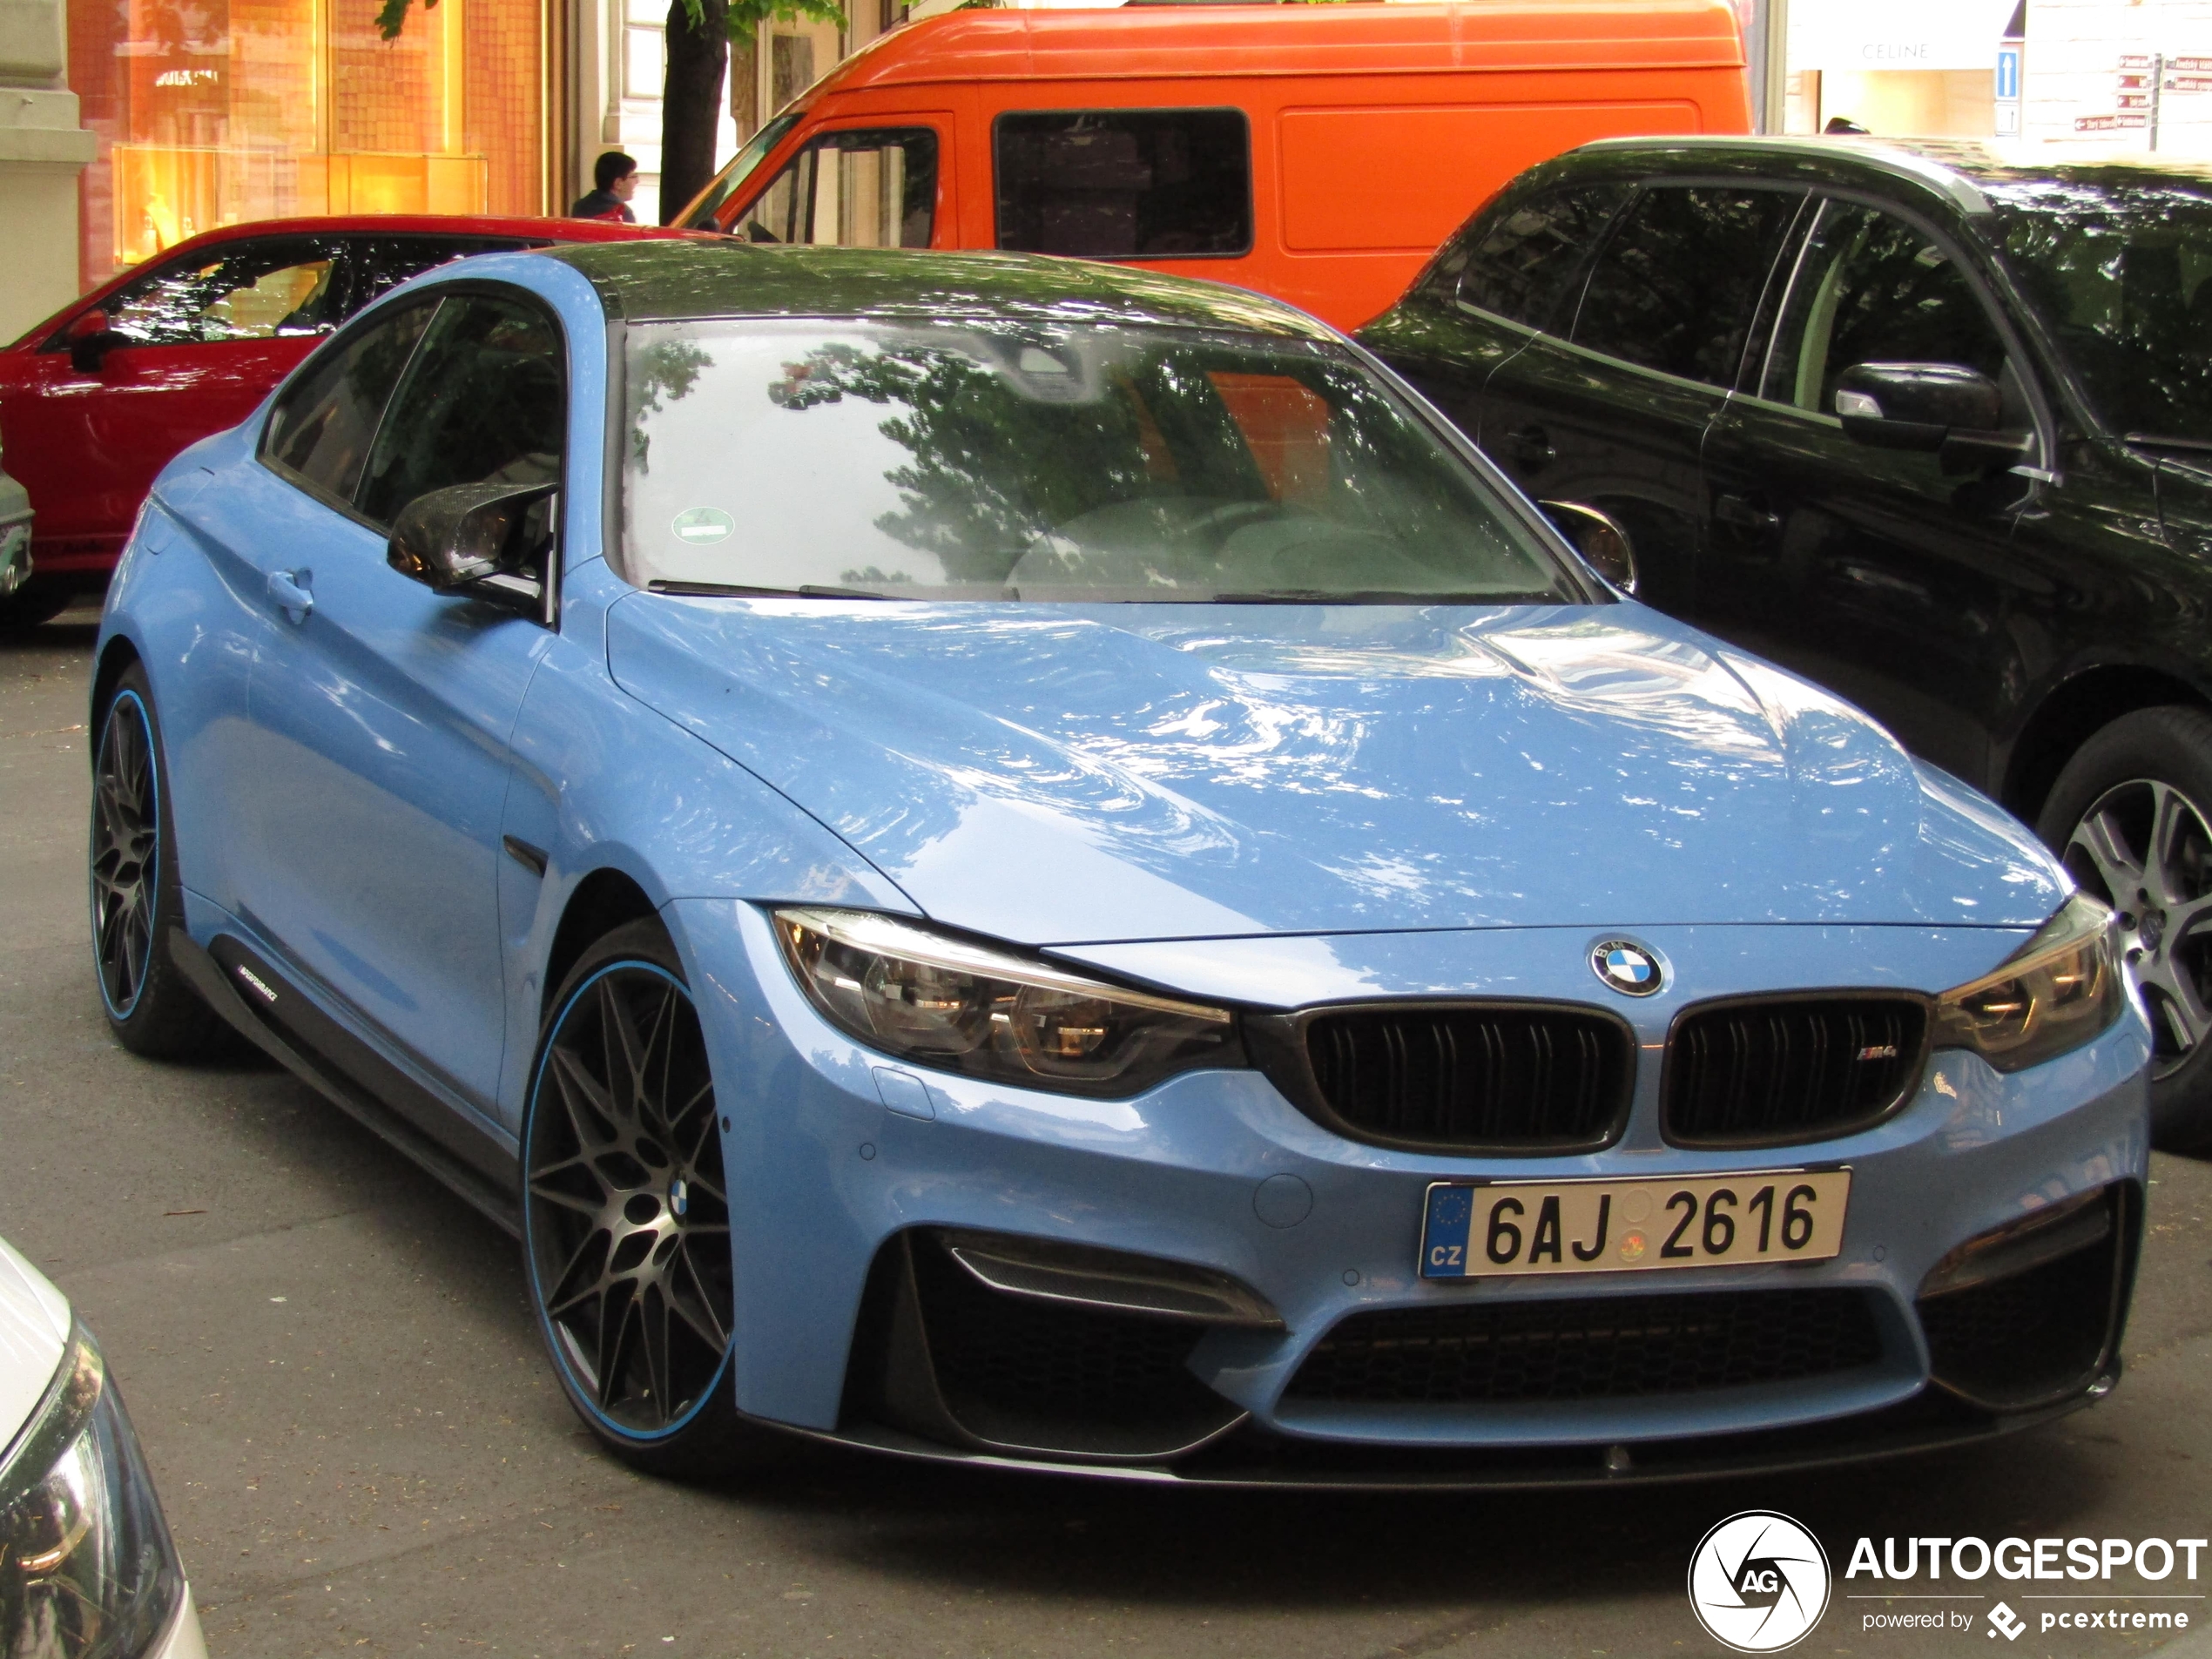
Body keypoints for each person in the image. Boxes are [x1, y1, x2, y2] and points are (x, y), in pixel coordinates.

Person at [571, 152, 640, 222]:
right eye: (633, 176)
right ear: (618, 183)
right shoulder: (623, 213)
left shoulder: (579, 206)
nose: (637, 181)